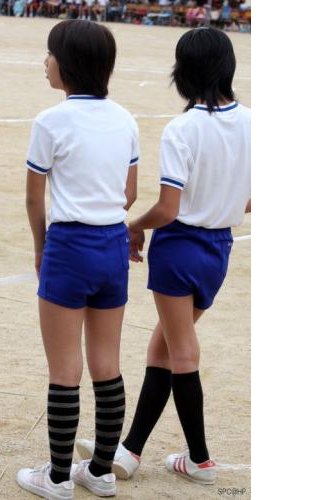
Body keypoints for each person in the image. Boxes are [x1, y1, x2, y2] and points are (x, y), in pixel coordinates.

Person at [77, 26, 251, 487]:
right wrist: (221, 202)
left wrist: (133, 227)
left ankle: (200, 460)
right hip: (219, 250)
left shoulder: (183, 129)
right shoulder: (253, 123)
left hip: (179, 247)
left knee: (183, 352)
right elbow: (251, 199)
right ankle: (130, 450)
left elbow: (168, 209)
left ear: (183, 72)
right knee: (164, 347)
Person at [16, 19, 139, 499]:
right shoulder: (125, 119)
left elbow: (34, 198)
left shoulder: (50, 121)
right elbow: (128, 195)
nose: (45, 62)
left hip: (69, 245)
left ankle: (57, 477)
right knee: (107, 364)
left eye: (50, 54)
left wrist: (40, 247)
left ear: (68, 64)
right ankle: (102, 471)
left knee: (65, 370)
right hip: (112, 244)